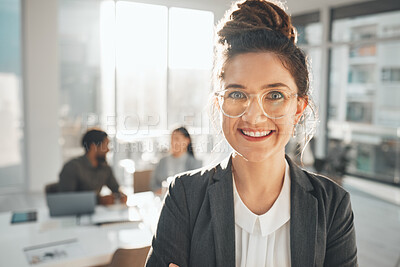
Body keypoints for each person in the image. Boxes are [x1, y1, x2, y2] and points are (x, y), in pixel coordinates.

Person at [146, 0, 357, 266]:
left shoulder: (332, 205)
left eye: (275, 95)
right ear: (218, 104)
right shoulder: (184, 196)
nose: (254, 116)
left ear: (299, 108)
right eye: (237, 94)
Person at [58, 129, 127, 205]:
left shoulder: (105, 167)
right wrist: (99, 200)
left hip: (98, 214)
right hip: (75, 215)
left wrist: (121, 195)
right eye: (105, 145)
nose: (108, 150)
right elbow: (66, 200)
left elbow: (116, 189)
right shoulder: (72, 167)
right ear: (93, 147)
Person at [150, 127, 202, 192]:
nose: (173, 142)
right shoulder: (162, 161)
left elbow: (195, 188)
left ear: (187, 141)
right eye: (172, 139)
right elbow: (153, 185)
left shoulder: (195, 164)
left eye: (177, 139)